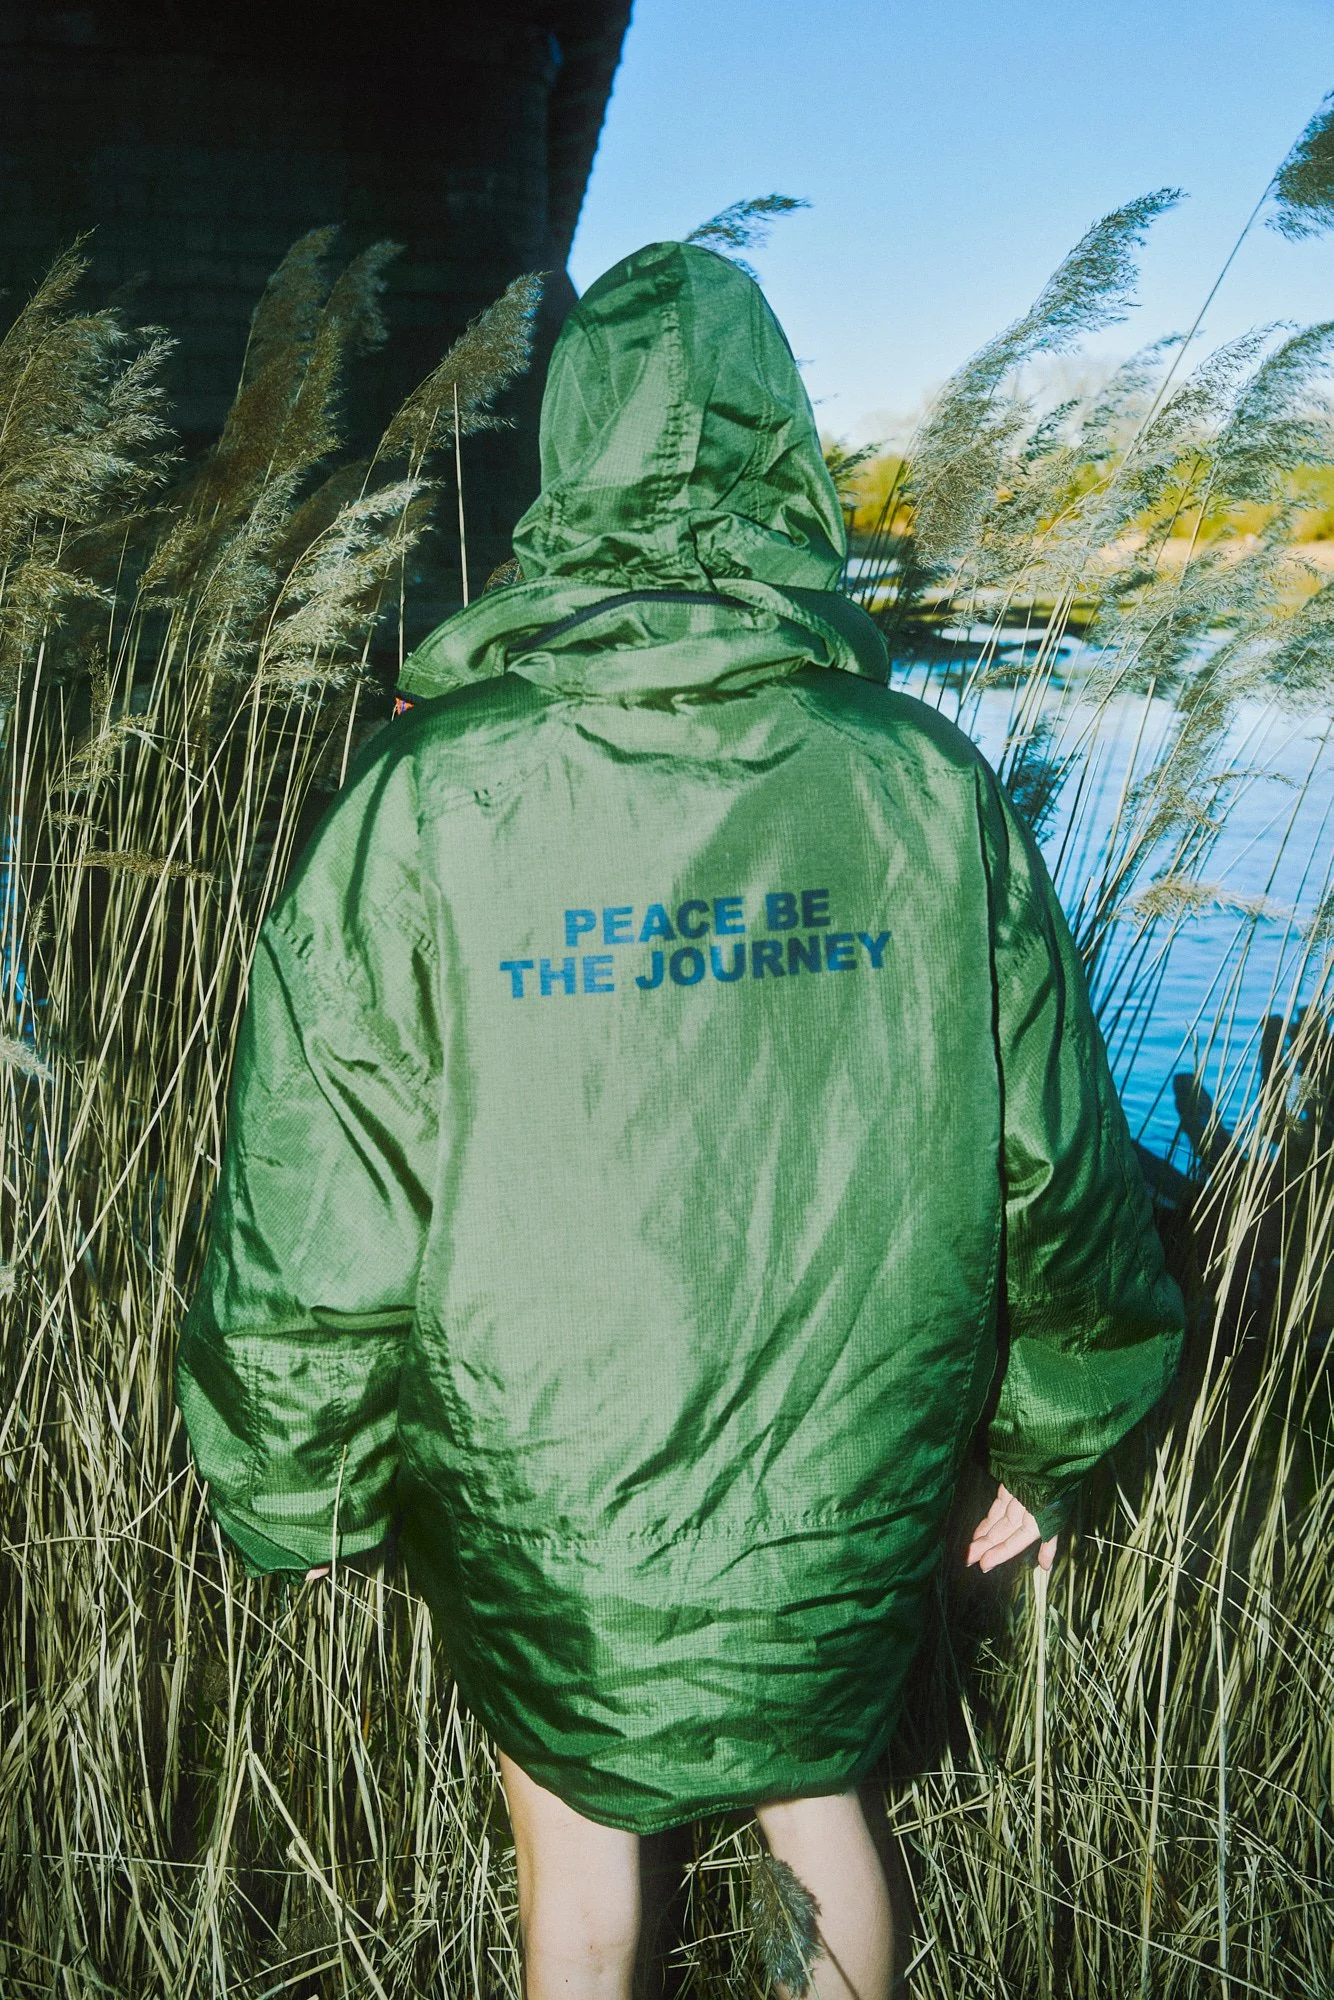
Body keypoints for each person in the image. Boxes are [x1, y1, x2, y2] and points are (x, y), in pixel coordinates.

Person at [176, 240, 1184, 2000]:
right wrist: (1058, 1428)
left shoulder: (430, 800)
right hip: (842, 1476)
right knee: (824, 1818)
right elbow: (1052, 1156)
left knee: (574, 1877)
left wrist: (293, 1481)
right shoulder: (920, 784)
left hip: (539, 1487)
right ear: (781, 450)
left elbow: (321, 1196)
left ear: (572, 451)